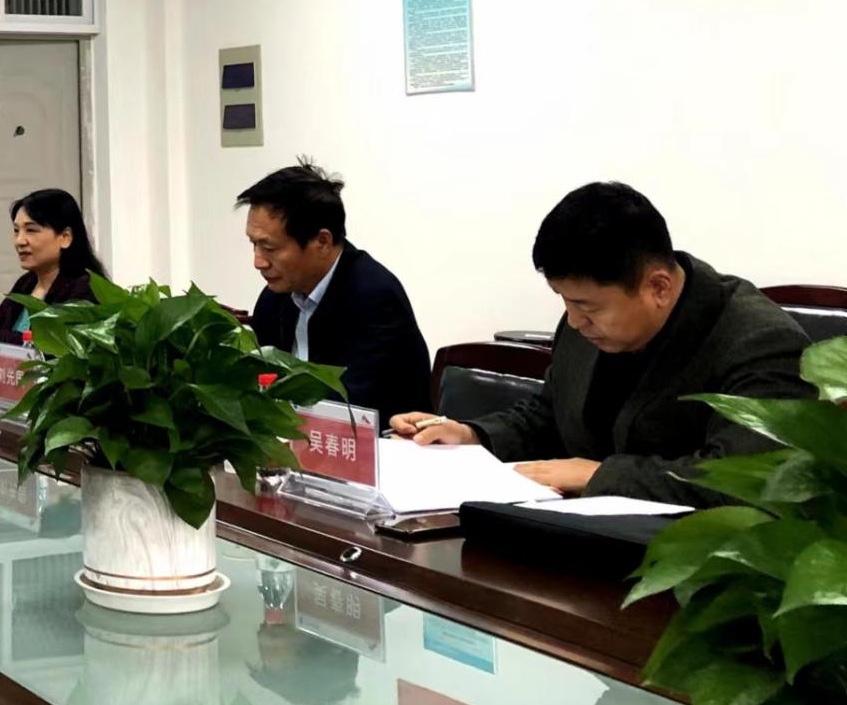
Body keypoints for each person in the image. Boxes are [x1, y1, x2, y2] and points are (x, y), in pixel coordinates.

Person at [390, 183, 813, 506]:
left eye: (585, 306)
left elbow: (745, 480)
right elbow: (550, 414)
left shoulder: (760, 344)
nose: (574, 321)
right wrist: (472, 436)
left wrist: (599, 476)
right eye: (565, 301)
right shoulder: (585, 324)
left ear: (658, 287)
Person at [239, 160, 430, 422]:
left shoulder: (374, 297)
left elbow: (352, 408)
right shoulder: (275, 297)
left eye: (269, 248)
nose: (258, 261)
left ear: (322, 241)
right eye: (254, 244)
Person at [0, 189, 107, 336]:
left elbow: (48, 346)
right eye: (16, 230)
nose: (20, 241)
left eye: (31, 230)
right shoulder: (27, 283)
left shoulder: (84, 291)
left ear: (65, 237)